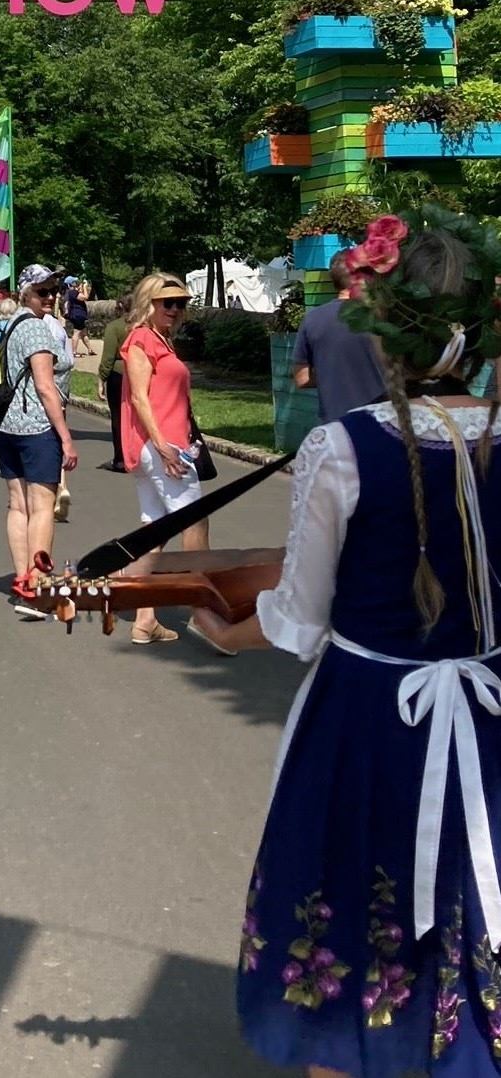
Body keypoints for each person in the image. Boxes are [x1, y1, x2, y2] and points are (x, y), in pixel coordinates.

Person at [192, 211, 501, 1078]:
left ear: (381, 330)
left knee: (348, 892)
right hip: (487, 710)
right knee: (472, 885)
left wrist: (220, 632)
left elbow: (296, 616)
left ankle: (345, 1046)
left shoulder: (343, 446)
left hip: (367, 720)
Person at [121, 272, 207, 646]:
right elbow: (139, 398)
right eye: (167, 302)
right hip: (161, 446)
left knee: (155, 529)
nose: (175, 309)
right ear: (148, 304)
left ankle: (144, 618)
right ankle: (205, 612)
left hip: (162, 445)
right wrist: (162, 445)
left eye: (181, 303)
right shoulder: (142, 339)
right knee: (195, 522)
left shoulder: (161, 341)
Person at [0, 266, 77, 621]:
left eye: (53, 289)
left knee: (18, 506)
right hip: (36, 427)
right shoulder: (36, 328)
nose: (51, 296)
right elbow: (44, 386)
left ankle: (24, 576)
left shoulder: (11, 324)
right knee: (42, 507)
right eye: (42, 291)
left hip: (7, 425)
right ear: (26, 292)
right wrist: (66, 437)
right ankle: (37, 587)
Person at [292, 249, 387, 422]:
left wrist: (332, 372)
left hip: (336, 426)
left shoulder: (312, 320)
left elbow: (302, 379)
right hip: (382, 422)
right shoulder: (383, 317)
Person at [96, 295, 132, 472]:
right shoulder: (145, 325)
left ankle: (121, 458)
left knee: (118, 417)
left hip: (119, 373)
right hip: (143, 373)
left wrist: (101, 378)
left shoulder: (115, 327)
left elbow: (108, 357)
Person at [63, 277, 91, 358]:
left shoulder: (71, 292)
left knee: (84, 332)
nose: (76, 282)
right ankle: (74, 352)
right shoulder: (72, 292)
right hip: (77, 314)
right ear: (71, 283)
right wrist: (85, 287)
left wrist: (80, 288)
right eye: (75, 282)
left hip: (78, 314)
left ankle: (90, 349)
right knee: (77, 333)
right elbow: (85, 297)